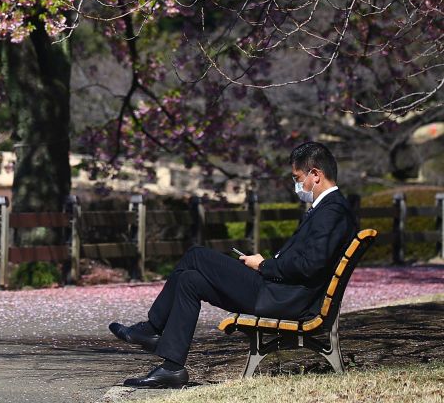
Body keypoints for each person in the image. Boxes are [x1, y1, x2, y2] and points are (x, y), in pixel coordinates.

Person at [108, 141, 359, 388]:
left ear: (315, 174)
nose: (296, 185)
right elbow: (308, 260)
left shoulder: (332, 211)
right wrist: (266, 263)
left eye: (297, 178)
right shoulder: (329, 209)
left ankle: (152, 329)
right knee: (189, 281)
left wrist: (265, 265)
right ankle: (172, 368)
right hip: (280, 292)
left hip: (282, 298)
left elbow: (310, 265)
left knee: (196, 254)